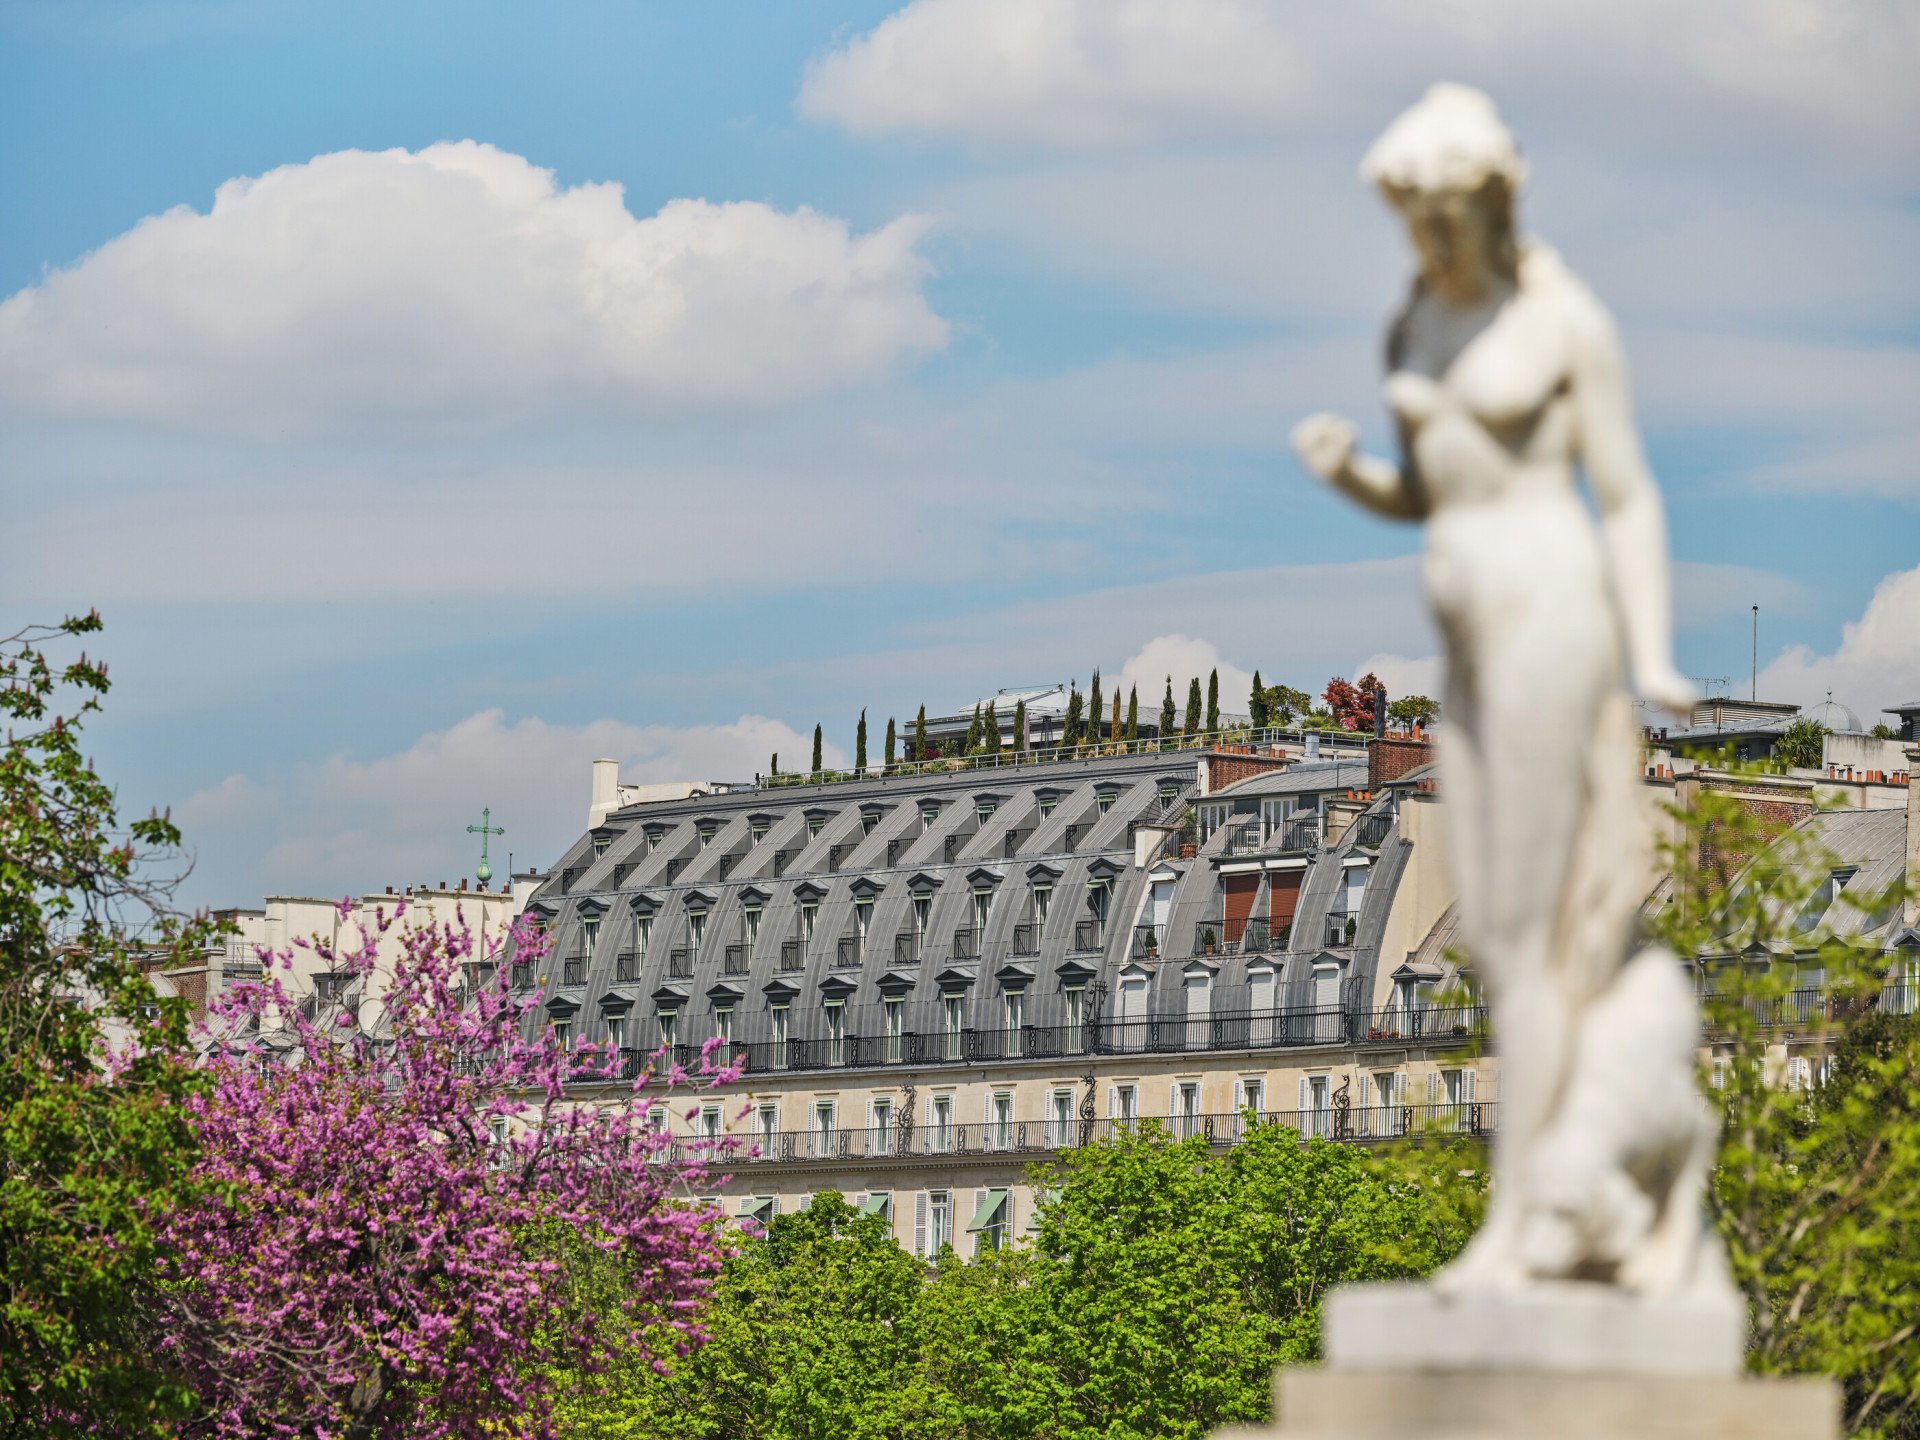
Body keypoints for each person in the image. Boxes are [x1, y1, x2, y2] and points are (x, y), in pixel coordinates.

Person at [1294, 84, 1713, 1294]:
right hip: (1466, 633)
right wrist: (1353, 478)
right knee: (1497, 934)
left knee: (1531, 937)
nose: (1427, 239)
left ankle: (1526, 1226)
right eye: (1411, 218)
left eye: (1444, 215)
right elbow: (1441, 491)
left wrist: (1653, 651)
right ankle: (1551, 1205)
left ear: (1491, 202)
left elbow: (1623, 490)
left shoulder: (1566, 318)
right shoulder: (1415, 314)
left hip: (1551, 612)